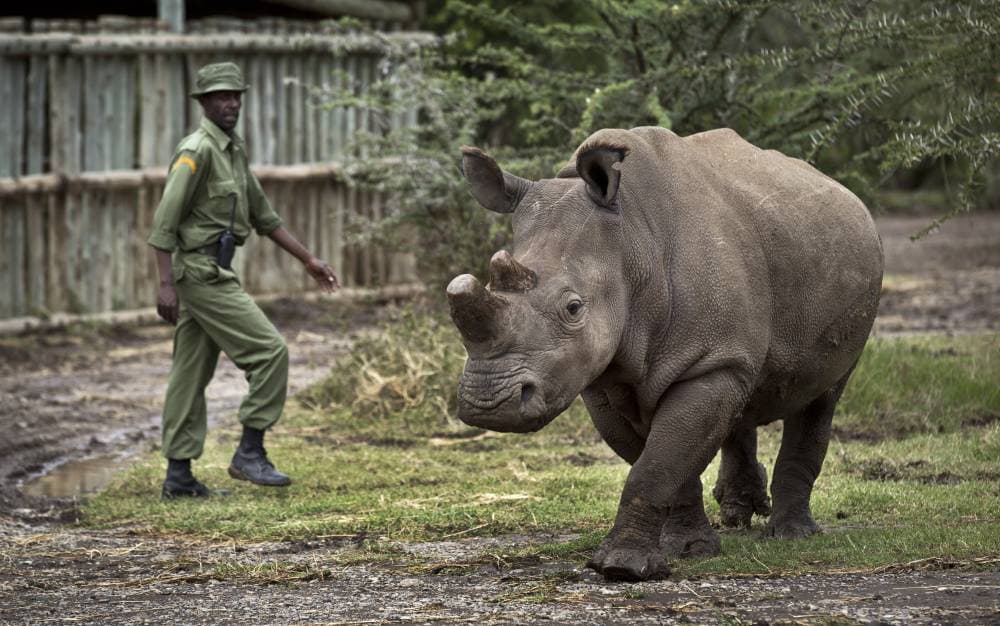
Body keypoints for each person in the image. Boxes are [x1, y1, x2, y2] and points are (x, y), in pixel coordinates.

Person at [147, 62, 340, 499]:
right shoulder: (196, 151)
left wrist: (309, 259)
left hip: (215, 269)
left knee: (189, 373)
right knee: (270, 352)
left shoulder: (232, 151)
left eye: (236, 95)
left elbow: (263, 215)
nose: (231, 103)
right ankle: (249, 452)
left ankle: (178, 477)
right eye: (221, 96)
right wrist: (165, 283)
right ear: (204, 103)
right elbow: (163, 224)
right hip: (199, 274)